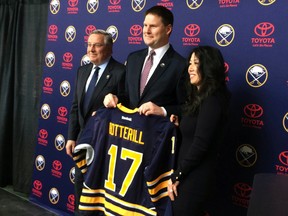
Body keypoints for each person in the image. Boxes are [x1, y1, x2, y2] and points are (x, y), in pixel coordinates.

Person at [65, 29, 125, 215]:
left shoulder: (121, 72)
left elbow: (125, 106)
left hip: (106, 145)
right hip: (83, 142)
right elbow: (76, 106)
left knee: (100, 196)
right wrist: (71, 137)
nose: (91, 49)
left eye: (97, 45)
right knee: (80, 189)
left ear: (109, 48)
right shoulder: (82, 71)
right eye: (89, 44)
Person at [167, 46, 231, 216]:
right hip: (188, 177)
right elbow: (196, 130)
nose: (190, 68)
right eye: (190, 63)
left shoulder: (213, 100)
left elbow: (201, 145)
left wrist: (178, 175)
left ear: (208, 67)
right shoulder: (200, 98)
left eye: (196, 63)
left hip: (194, 180)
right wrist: (180, 124)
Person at [104, 5, 187, 117]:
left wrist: (162, 111)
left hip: (158, 132)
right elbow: (127, 97)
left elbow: (187, 107)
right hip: (130, 131)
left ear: (168, 29)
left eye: (153, 26)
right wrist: (115, 98)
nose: (146, 31)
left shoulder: (180, 65)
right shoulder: (133, 58)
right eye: (145, 25)